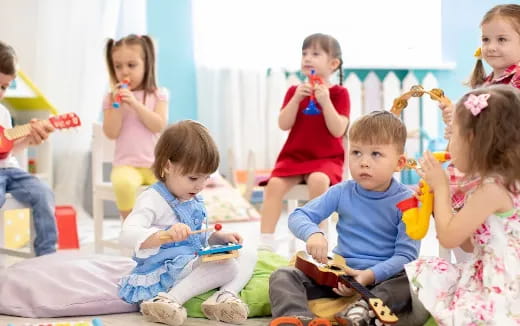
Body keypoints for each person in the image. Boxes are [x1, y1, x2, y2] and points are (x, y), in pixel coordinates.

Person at [269, 111, 427, 326]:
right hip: (340, 276)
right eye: (356, 152)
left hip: (383, 279)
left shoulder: (408, 201)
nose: (363, 162)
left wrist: (370, 275)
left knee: (411, 281)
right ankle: (297, 319)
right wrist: (314, 234)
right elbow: (299, 215)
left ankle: (361, 312)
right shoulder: (342, 191)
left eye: (376, 154)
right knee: (283, 276)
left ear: (399, 163)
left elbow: (406, 255)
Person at [118, 120, 257, 326]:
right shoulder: (153, 199)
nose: (200, 186)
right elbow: (126, 233)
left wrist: (218, 237)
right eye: (193, 178)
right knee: (227, 266)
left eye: (206, 178)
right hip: (165, 269)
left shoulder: (192, 195)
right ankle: (168, 300)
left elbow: (197, 233)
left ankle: (223, 297)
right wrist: (164, 235)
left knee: (248, 252)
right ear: (167, 166)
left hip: (191, 262)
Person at [406, 85, 520, 324]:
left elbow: (449, 238)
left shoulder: (492, 189)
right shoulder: (502, 183)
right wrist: (437, 199)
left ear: (470, 140)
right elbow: (470, 245)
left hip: (501, 289)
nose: (449, 141)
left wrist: (442, 188)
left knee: (430, 276)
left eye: (452, 134)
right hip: (487, 271)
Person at [259, 33, 350, 251]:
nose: (307, 58)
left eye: (315, 53)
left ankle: (316, 238)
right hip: (295, 157)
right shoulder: (295, 91)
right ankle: (265, 243)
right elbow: (283, 123)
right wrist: (295, 99)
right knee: (274, 185)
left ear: (333, 63)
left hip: (325, 159)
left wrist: (325, 101)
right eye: (304, 53)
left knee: (319, 180)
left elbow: (338, 129)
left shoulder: (339, 93)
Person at [441, 4, 520, 213]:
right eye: (486, 39)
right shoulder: (485, 84)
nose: (491, 46)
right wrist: (457, 125)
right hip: (481, 161)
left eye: (501, 39)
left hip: (505, 166)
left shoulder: (517, 81)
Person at [0, 41, 57, 256]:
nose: (0, 92)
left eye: (4, 87)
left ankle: (46, 254)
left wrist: (29, 140)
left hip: (10, 170)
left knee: (43, 192)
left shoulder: (3, 113)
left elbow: (7, 149)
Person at [103, 34, 168, 219]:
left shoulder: (158, 95)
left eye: (131, 65)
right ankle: (130, 226)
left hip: (156, 164)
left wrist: (136, 105)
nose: (124, 72)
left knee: (173, 187)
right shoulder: (111, 98)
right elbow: (111, 132)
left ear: (146, 64)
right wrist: (118, 107)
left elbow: (158, 125)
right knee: (123, 184)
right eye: (118, 66)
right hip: (126, 165)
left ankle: (163, 228)